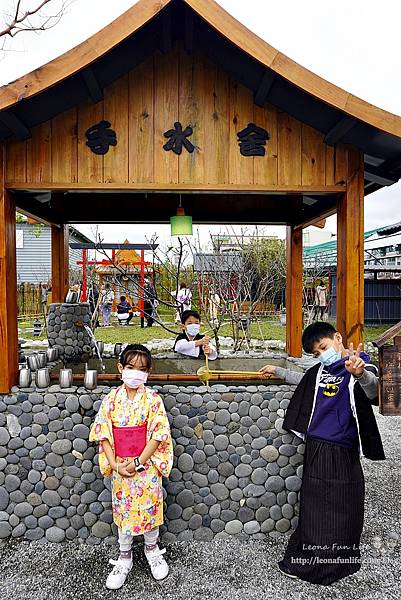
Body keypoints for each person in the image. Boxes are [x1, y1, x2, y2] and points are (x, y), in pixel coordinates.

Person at [259, 321, 385, 585]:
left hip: (342, 446)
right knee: (315, 507)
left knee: (342, 505)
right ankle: (312, 558)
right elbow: (302, 380)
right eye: (316, 353)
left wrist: (360, 374)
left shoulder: (358, 362)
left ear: (337, 338)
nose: (321, 354)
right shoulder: (321, 370)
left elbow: (374, 390)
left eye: (323, 347)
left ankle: (335, 562)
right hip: (316, 444)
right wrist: (278, 371)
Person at [89, 344, 173, 590]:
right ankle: (124, 557)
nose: (136, 373)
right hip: (120, 465)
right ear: (120, 368)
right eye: (130, 367)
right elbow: (103, 432)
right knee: (124, 511)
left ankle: (153, 550)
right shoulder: (111, 400)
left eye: (142, 369)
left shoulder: (153, 400)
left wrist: (139, 462)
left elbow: (158, 435)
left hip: (145, 465)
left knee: (149, 508)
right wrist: (115, 464)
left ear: (148, 373)